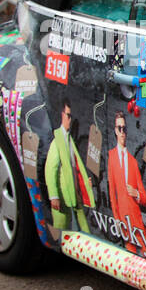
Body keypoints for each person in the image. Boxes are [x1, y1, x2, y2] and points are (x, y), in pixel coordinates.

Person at [45, 99, 94, 233]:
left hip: (75, 192)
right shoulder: (57, 141)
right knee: (61, 227)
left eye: (70, 116)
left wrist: (84, 182)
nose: (70, 119)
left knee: (84, 227)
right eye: (68, 115)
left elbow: (76, 166)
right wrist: (54, 195)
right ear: (61, 115)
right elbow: (51, 169)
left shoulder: (69, 138)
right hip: (64, 195)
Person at [106, 111, 146, 257]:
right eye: (119, 128)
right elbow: (112, 191)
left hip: (136, 216)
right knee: (130, 254)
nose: (122, 132)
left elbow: (145, 199)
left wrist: (136, 194)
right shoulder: (111, 156)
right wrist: (117, 218)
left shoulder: (132, 161)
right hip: (123, 217)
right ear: (115, 130)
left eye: (124, 128)